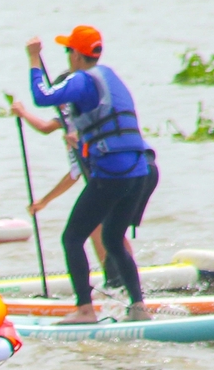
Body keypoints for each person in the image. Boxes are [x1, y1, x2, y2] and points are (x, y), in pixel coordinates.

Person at [26, 27, 156, 323]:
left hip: (113, 173)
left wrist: (34, 59)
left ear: (75, 54)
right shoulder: (110, 77)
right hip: (138, 172)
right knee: (112, 237)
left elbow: (42, 96)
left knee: (72, 237)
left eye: (68, 51)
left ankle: (85, 309)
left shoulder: (82, 80)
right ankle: (139, 307)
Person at [8, 99, 155, 274]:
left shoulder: (81, 114)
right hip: (137, 169)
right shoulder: (85, 113)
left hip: (128, 171)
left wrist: (23, 113)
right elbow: (74, 173)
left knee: (101, 227)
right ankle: (124, 277)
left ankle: (118, 278)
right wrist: (44, 201)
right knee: (109, 227)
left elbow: (45, 128)